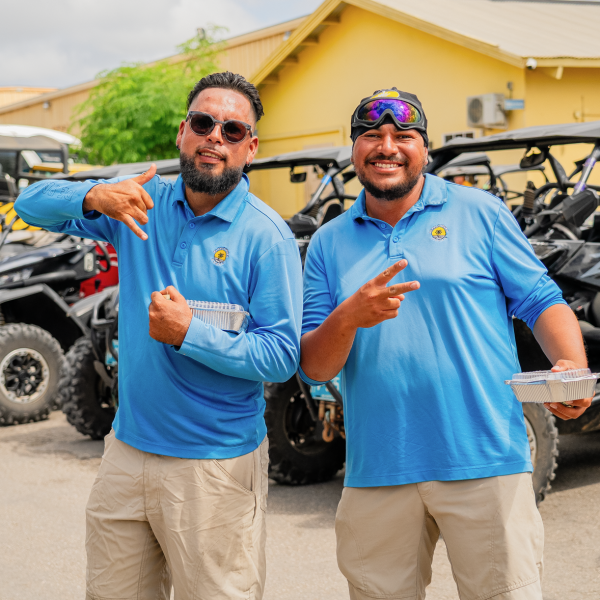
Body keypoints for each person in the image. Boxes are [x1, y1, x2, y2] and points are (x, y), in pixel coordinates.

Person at [15, 72, 303, 600]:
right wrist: (95, 195)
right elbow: (29, 205)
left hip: (214, 467)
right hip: (126, 453)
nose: (216, 136)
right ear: (182, 132)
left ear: (251, 148)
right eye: (203, 122)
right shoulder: (136, 204)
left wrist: (189, 333)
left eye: (233, 130)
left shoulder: (268, 237)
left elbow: (281, 356)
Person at [299, 87, 592, 600]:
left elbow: (542, 300)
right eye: (371, 135)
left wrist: (569, 362)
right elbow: (316, 368)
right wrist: (349, 318)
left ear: (424, 149)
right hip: (377, 472)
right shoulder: (328, 242)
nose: (386, 145)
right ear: (354, 150)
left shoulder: (480, 213)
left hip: (486, 461)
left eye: (402, 135)